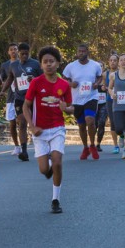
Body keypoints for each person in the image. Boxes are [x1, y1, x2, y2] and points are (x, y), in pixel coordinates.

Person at [23, 46, 72, 214]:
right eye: (45, 62)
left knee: (57, 162)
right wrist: (31, 126)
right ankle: (49, 165)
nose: (48, 64)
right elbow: (26, 106)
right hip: (40, 131)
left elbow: (71, 107)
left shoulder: (64, 85)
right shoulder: (36, 83)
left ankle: (55, 200)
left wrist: (67, 108)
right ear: (41, 65)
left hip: (57, 128)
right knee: (44, 170)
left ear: (58, 63)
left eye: (52, 61)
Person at [0, 42, 43, 161]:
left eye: (26, 54)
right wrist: (3, 91)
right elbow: (10, 79)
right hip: (19, 98)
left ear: (29, 53)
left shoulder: (36, 64)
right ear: (18, 53)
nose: (24, 56)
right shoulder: (13, 65)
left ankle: (42, 148)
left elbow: (44, 79)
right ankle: (24, 151)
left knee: (35, 123)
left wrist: (35, 79)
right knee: (22, 122)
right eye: (22, 54)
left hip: (34, 98)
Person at [63, 43, 103, 160]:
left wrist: (96, 83)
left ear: (87, 52)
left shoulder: (95, 65)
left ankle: (92, 145)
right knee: (81, 125)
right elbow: (63, 79)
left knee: (90, 120)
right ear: (77, 52)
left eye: (83, 51)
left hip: (91, 97)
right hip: (77, 99)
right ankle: (85, 148)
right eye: (79, 51)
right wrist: (71, 84)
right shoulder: (71, 66)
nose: (81, 53)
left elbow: (100, 77)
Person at [0, 43, 21, 155]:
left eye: (15, 49)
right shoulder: (5, 65)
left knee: (22, 122)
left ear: (18, 51)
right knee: (12, 123)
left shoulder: (22, 63)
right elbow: (0, 78)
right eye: (11, 49)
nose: (13, 51)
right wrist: (2, 84)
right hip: (10, 97)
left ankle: (24, 144)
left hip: (22, 96)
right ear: (8, 52)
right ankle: (17, 146)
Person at [100, 53, 121, 154]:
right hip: (110, 99)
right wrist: (103, 87)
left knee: (121, 122)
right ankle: (116, 145)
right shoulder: (105, 74)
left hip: (121, 100)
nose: (112, 62)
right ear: (108, 62)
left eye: (115, 60)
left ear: (118, 62)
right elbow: (104, 86)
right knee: (113, 122)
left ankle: (122, 134)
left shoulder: (122, 73)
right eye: (111, 60)